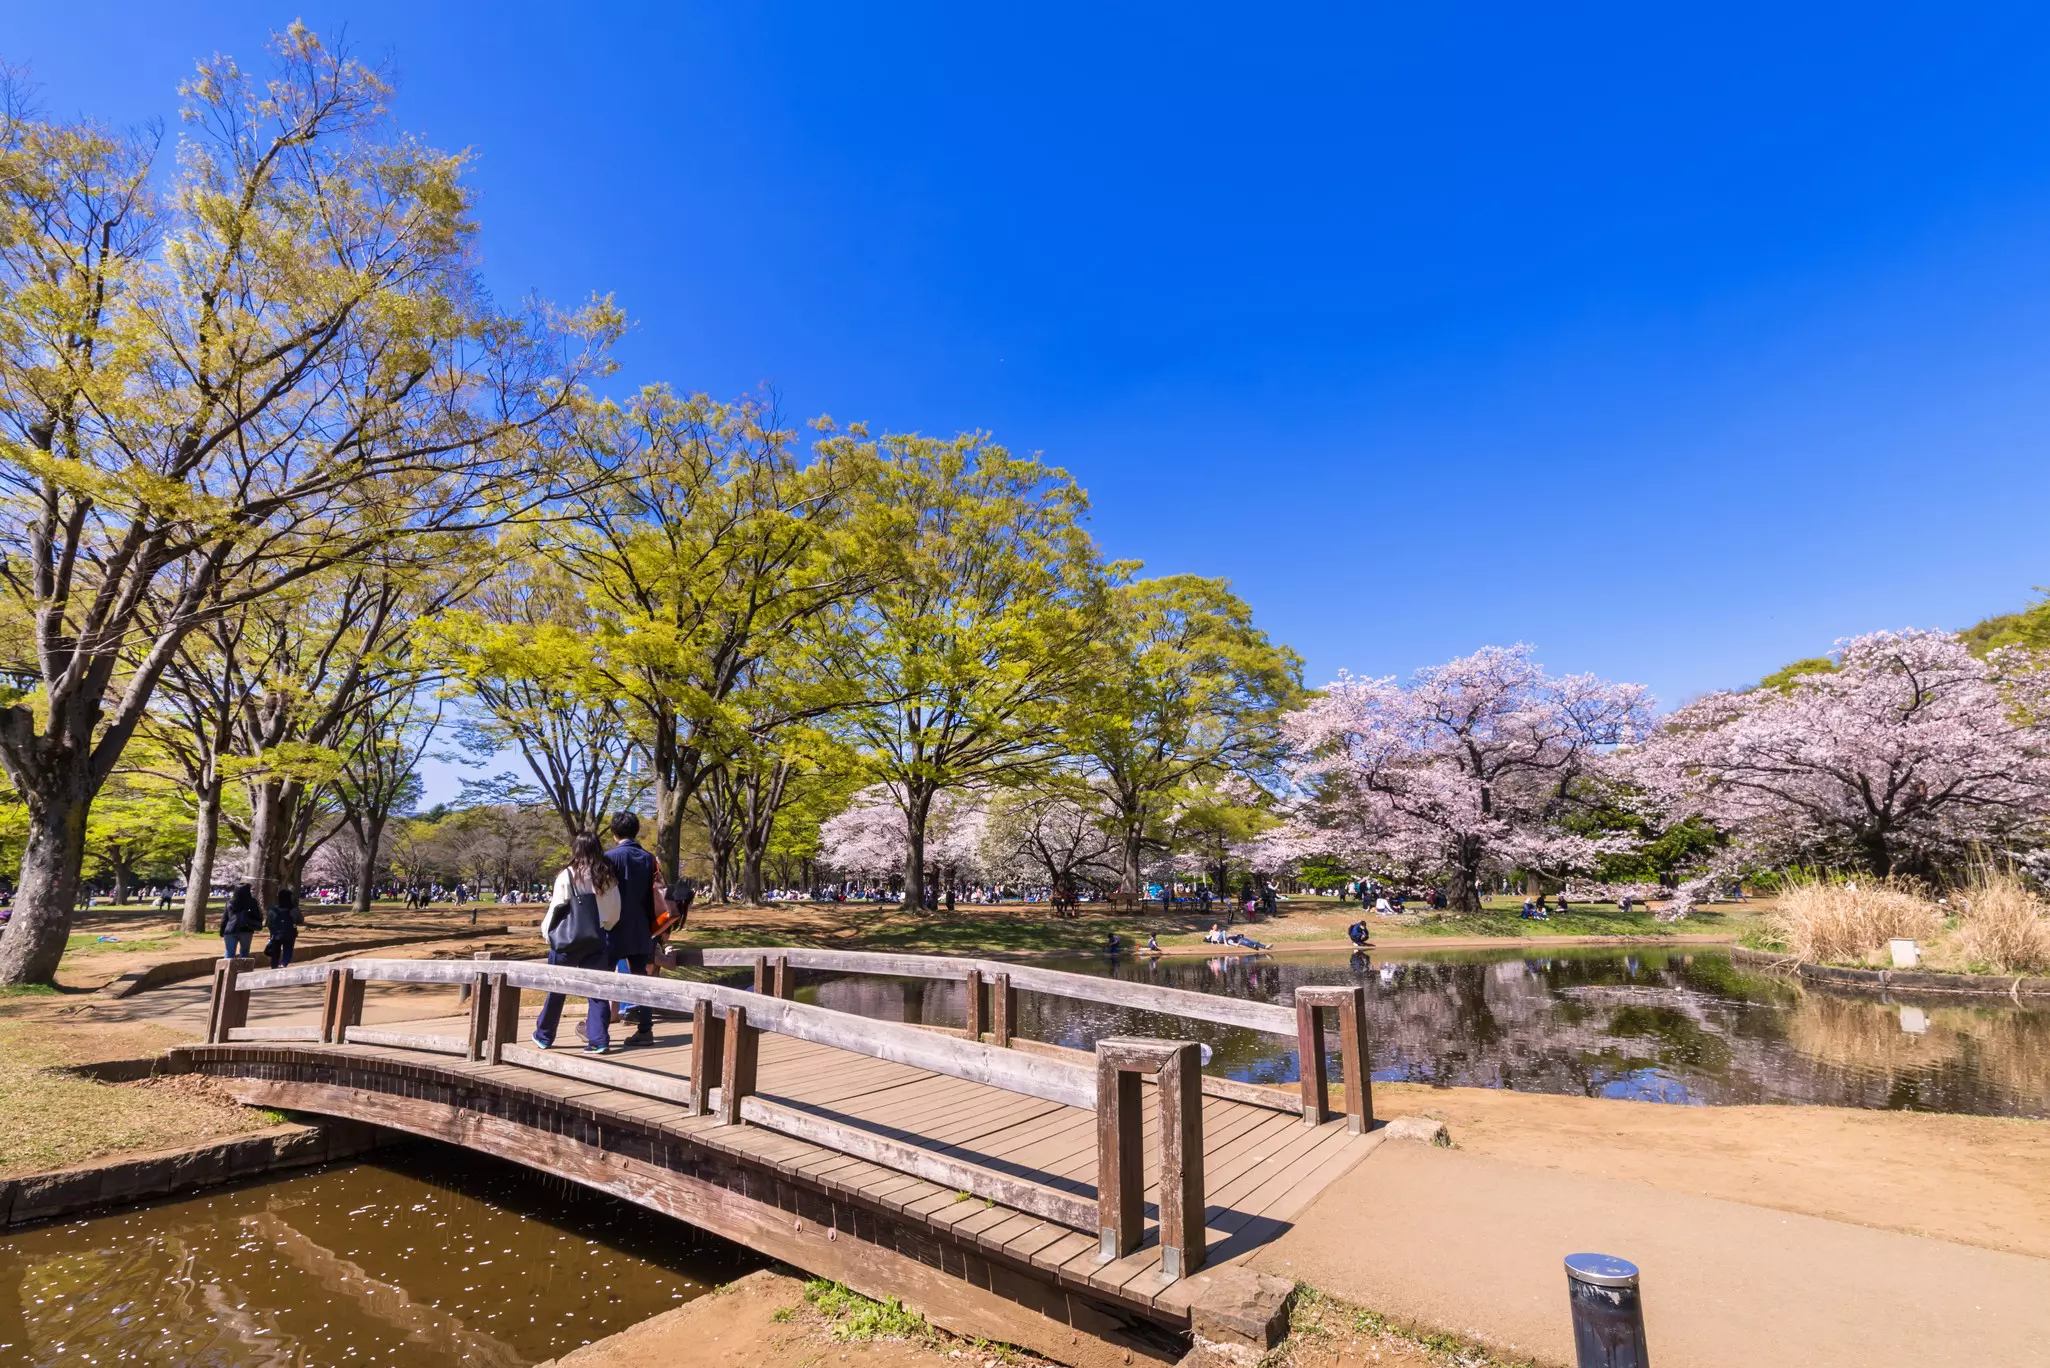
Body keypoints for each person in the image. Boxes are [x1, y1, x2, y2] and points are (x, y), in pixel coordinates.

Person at [533, 832, 622, 1054]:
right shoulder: (607, 876)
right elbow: (614, 911)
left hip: (567, 941)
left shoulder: (568, 874)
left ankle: (544, 1035)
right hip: (597, 939)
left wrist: (547, 933)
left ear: (576, 849)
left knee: (557, 989)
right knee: (597, 991)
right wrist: (604, 926)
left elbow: (556, 908)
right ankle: (599, 1040)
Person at [603, 812, 660, 1048]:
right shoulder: (649, 858)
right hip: (641, 926)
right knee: (640, 979)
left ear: (614, 833)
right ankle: (645, 1029)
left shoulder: (609, 857)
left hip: (614, 925)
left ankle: (598, 1028)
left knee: (602, 976)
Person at [263, 886, 304, 968]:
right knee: (288, 949)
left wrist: (272, 932)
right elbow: (300, 920)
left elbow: (268, 923)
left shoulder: (273, 910)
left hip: (276, 934)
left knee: (275, 951)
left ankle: (274, 966)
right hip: (290, 933)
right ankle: (284, 963)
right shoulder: (294, 909)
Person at [221, 882, 260, 959]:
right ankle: (244, 969)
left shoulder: (230, 902)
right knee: (244, 952)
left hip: (230, 929)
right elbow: (257, 916)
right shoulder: (252, 902)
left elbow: (224, 918)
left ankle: (226, 969)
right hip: (246, 929)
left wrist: (222, 931)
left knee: (229, 953)